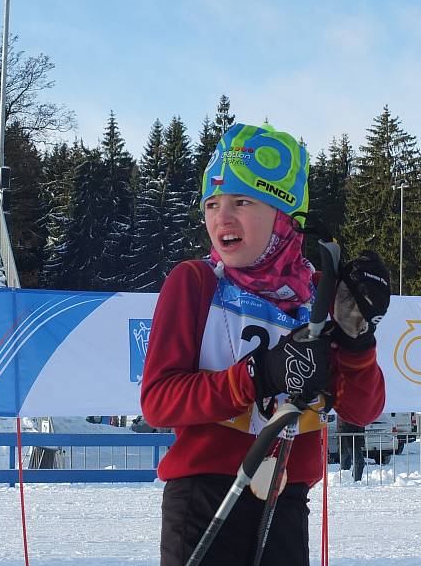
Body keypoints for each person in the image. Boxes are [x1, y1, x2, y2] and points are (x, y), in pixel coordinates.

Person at [140, 123, 390, 566]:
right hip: (204, 497)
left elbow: (362, 411)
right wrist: (259, 375)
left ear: (283, 214)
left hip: (285, 498)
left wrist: (357, 338)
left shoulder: (320, 292)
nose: (222, 217)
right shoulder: (196, 282)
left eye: (242, 201)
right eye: (212, 204)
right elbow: (159, 402)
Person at [337, 416, 366, 481]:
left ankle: (344, 481)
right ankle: (355, 481)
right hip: (350, 438)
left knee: (345, 463)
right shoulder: (350, 409)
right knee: (359, 462)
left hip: (347, 437)